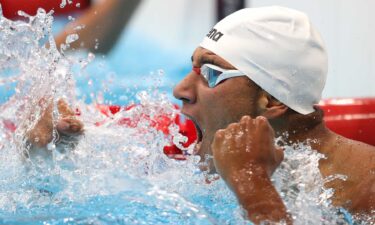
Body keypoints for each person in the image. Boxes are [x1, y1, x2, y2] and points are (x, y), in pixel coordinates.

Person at [28, 6, 374, 224]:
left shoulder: (366, 189)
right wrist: (48, 156)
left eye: (210, 73)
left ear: (270, 101)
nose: (180, 89)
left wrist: (252, 184)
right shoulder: (193, 162)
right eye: (192, 67)